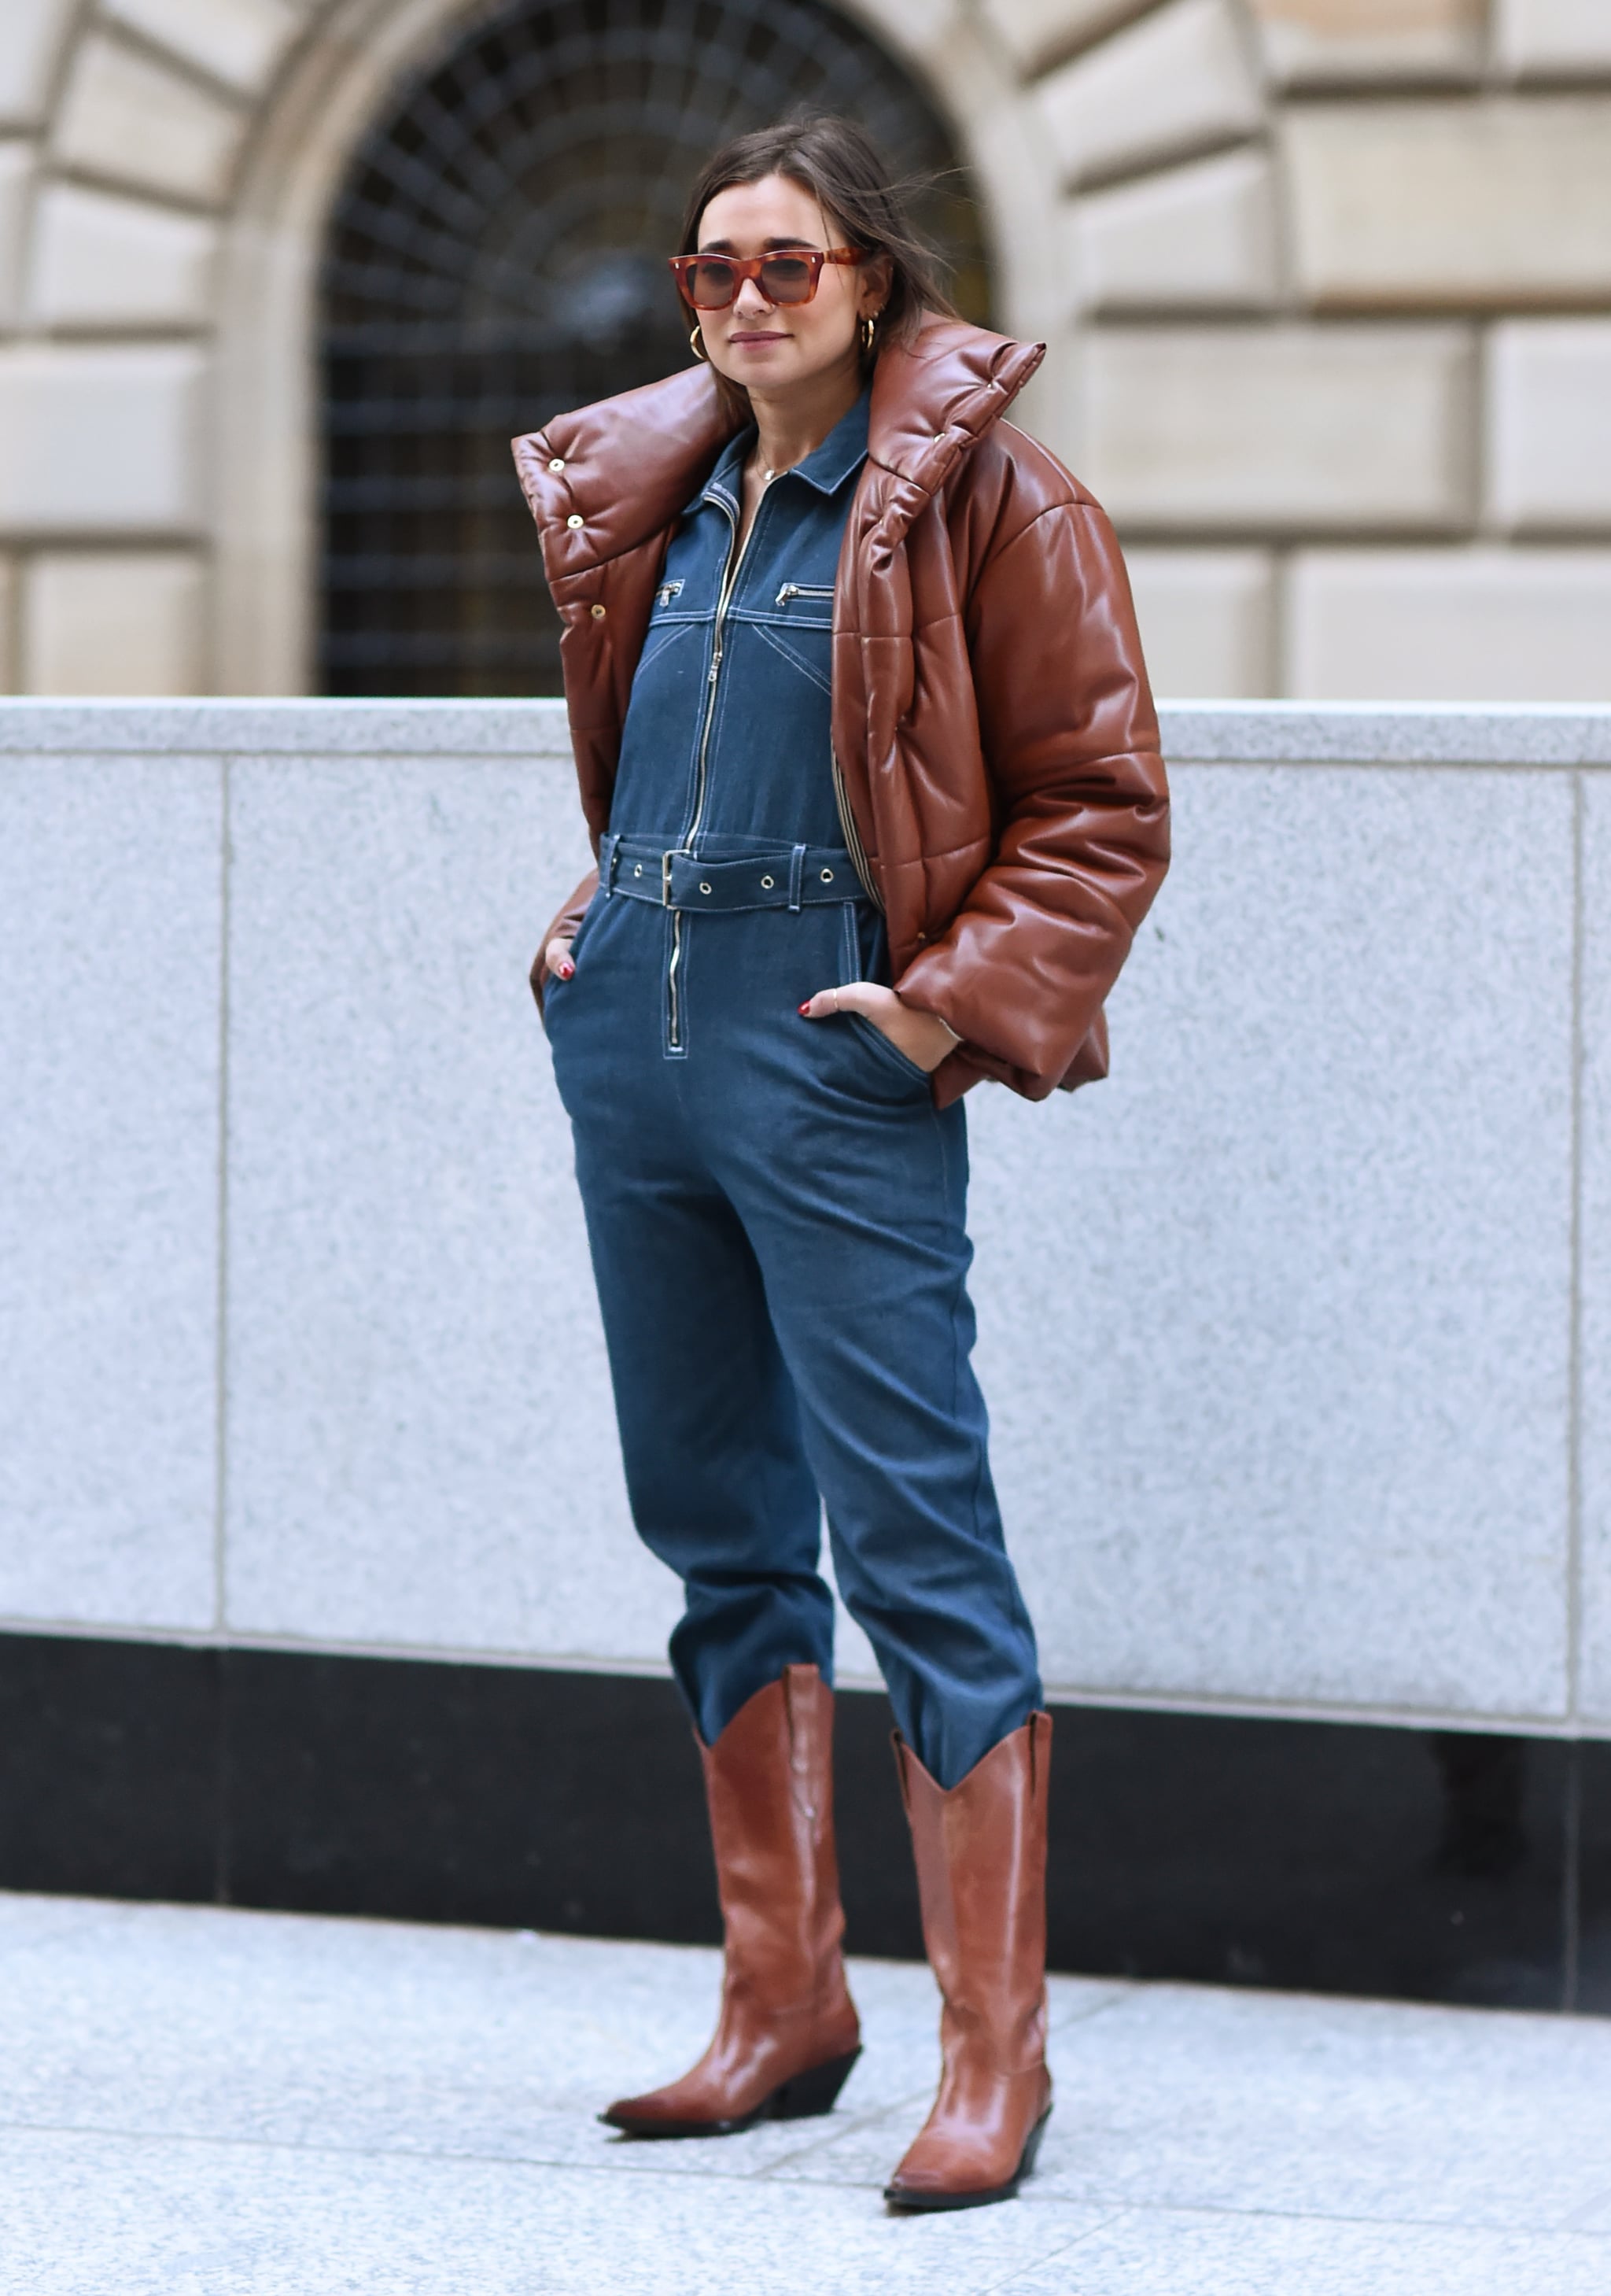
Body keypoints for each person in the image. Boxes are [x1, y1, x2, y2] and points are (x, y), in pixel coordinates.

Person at [513, 116, 1167, 2213]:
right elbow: (670, 765)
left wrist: (948, 1006)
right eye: (713, 269)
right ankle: (782, 2003)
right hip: (645, 1041)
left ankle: (996, 2059)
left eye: (787, 265)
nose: (744, 301)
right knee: (709, 1520)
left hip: (834, 1056)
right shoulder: (663, 500)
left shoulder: (991, 501)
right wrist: (598, 916)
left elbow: (1099, 805)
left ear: (873, 280)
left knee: (915, 1536)